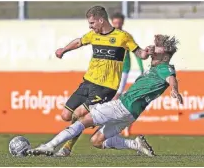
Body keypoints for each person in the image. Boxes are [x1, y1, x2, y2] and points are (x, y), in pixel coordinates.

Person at [27, 34, 179, 157]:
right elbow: (154, 58)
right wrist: (152, 50)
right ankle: (135, 144)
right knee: (96, 141)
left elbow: (171, 78)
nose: (153, 56)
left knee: (83, 119)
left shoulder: (164, 68)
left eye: (157, 54)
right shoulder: (158, 67)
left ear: (165, 57)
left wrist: (174, 90)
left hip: (123, 106)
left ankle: (49, 146)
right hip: (131, 114)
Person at [52, 6, 155, 157]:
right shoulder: (93, 35)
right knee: (66, 115)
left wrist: (146, 52)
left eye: (92, 23)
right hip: (88, 82)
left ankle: (67, 148)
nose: (90, 26)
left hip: (106, 87)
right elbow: (78, 42)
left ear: (101, 20)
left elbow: (140, 53)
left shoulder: (123, 37)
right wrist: (64, 50)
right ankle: (97, 119)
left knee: (80, 113)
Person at [111, 12, 144, 100]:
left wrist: (141, 69)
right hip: (109, 68)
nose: (117, 26)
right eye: (115, 23)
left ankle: (108, 112)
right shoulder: (107, 36)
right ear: (112, 23)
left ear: (123, 23)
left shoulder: (126, 37)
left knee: (118, 93)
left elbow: (137, 52)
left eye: (119, 23)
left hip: (123, 68)